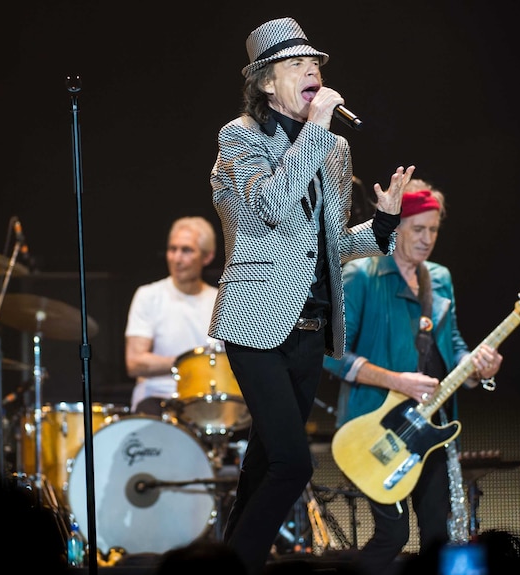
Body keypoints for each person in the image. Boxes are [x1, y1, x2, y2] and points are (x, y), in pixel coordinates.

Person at [208, 16, 415, 575]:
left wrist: (383, 223)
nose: (313, 71)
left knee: (264, 464)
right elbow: (272, 207)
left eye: (317, 63)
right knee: (293, 466)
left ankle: (224, 561)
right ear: (266, 83)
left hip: (310, 330)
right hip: (255, 322)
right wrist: (318, 132)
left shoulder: (334, 148)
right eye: (298, 64)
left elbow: (330, 245)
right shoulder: (239, 137)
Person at [325, 181, 503, 575]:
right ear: (397, 226)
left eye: (434, 230)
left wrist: (476, 366)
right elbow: (331, 354)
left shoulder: (438, 277)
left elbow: (451, 344)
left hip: (429, 428)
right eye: (417, 229)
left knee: (438, 534)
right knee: (393, 535)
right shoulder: (362, 274)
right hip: (374, 429)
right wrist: (396, 381)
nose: (427, 239)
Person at [124, 216, 219, 416]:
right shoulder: (149, 295)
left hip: (208, 401)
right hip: (158, 398)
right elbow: (134, 363)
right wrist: (191, 363)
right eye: (172, 249)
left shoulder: (220, 300)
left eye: (186, 250)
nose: (176, 258)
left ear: (207, 256)